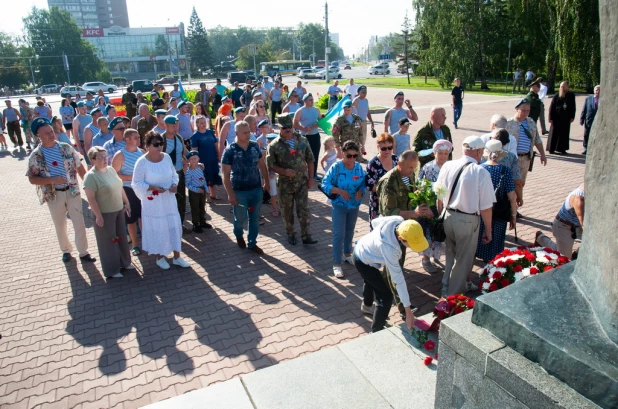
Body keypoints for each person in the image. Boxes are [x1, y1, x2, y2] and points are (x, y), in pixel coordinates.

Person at [26, 118, 96, 263]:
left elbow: (80, 168)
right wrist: (52, 180)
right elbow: (32, 179)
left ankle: (83, 251)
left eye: (51, 131)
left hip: (72, 192)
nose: (51, 135)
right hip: (54, 195)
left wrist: (87, 186)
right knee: (60, 224)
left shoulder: (66, 148)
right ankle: (65, 250)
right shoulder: (36, 155)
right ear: (38, 135)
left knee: (79, 222)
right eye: (46, 133)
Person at [437, 136, 496, 296]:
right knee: (462, 262)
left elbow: (439, 194)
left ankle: (445, 289)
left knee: (450, 256)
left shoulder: (448, 165)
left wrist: (441, 215)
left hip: (448, 215)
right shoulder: (480, 172)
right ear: (477, 151)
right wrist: (488, 231)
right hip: (467, 219)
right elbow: (486, 207)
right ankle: (451, 299)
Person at [377, 150, 433, 316]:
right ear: (399, 164)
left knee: (392, 266)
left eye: (414, 168)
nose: (412, 171)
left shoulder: (408, 176)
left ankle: (379, 294)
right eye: (409, 168)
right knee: (395, 267)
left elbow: (411, 196)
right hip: (391, 231)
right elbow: (389, 212)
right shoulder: (389, 182)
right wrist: (414, 213)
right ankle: (401, 306)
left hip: (404, 229)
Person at [353, 217, 428, 332]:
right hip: (362, 260)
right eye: (411, 244)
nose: (412, 248)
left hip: (363, 248)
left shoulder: (398, 221)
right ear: (400, 238)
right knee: (385, 296)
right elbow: (398, 280)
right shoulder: (389, 249)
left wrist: (373, 241)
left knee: (370, 280)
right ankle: (376, 331)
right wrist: (408, 311)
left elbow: (374, 222)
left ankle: (366, 306)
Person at [131, 131, 191, 269]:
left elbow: (174, 175)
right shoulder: (142, 162)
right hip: (153, 203)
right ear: (147, 146)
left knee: (174, 226)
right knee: (158, 228)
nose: (159, 147)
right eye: (156, 144)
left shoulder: (166, 158)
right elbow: (136, 183)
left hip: (168, 200)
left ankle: (177, 257)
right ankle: (159, 257)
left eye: (161, 144)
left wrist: (174, 185)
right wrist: (153, 187)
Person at [267, 113, 318, 245]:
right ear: (279, 128)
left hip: (302, 182)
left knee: (304, 210)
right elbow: (271, 164)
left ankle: (306, 236)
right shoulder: (273, 145)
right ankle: (290, 234)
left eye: (289, 126)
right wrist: (283, 171)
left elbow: (310, 160)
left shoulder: (302, 140)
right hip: (285, 185)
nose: (288, 129)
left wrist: (311, 178)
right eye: (284, 127)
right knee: (287, 211)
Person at [83, 147, 133, 279]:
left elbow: (120, 187)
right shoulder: (90, 177)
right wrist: (98, 216)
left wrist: (126, 202)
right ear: (93, 160)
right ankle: (112, 269)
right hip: (105, 213)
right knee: (108, 242)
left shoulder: (111, 170)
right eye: (101, 157)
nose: (105, 159)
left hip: (118, 210)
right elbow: (91, 198)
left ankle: (125, 263)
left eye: (106, 156)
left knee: (121, 237)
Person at [222, 121, 270, 254]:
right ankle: (238, 235)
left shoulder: (255, 146)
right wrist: (230, 194)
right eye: (245, 132)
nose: (248, 135)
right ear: (236, 133)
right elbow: (225, 175)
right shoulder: (230, 151)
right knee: (240, 219)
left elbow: (261, 164)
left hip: (256, 189)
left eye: (249, 131)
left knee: (254, 218)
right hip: (239, 191)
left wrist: (266, 182)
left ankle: (252, 243)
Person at [321, 141, 366, 278]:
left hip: (354, 205)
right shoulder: (337, 167)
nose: (352, 159)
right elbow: (325, 183)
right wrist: (340, 191)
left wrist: (361, 191)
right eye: (349, 156)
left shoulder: (358, 167)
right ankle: (337, 264)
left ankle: (347, 254)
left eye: (355, 156)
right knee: (338, 234)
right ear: (343, 154)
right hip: (339, 206)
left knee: (349, 231)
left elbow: (364, 184)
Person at [475, 140, 517, 262]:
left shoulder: (478, 169)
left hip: (480, 211)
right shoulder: (505, 171)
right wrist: (513, 215)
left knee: (477, 242)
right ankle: (490, 273)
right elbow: (512, 196)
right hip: (499, 212)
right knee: (495, 245)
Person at [417, 139, 454, 272]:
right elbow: (420, 189)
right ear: (434, 153)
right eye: (440, 153)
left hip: (445, 206)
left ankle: (436, 256)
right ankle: (425, 260)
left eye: (446, 153)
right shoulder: (428, 168)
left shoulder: (451, 167)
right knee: (429, 234)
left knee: (439, 233)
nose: (443, 156)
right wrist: (426, 208)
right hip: (430, 207)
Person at [505, 100, 547, 208]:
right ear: (516, 109)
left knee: (520, 183)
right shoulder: (508, 123)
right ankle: (509, 208)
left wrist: (542, 154)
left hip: (526, 159)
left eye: (528, 111)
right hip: (512, 159)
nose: (526, 113)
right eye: (523, 110)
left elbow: (537, 139)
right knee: (510, 183)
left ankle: (515, 208)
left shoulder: (531, 122)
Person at [111, 127, 144, 256]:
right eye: (136, 137)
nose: (138, 139)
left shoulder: (141, 152)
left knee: (143, 216)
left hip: (142, 190)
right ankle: (135, 245)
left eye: (138, 137)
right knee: (131, 219)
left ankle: (146, 242)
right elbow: (115, 175)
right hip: (128, 190)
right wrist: (134, 177)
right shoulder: (120, 155)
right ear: (127, 139)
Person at [535, 184, 584, 258]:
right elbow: (584, 224)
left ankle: (576, 255)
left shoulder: (587, 189)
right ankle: (541, 239)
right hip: (563, 228)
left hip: (574, 227)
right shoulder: (579, 199)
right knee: (564, 258)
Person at [161, 115, 190, 233]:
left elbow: (184, 152)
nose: (175, 127)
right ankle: (168, 227)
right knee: (167, 202)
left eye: (176, 125)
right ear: (165, 126)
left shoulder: (179, 137)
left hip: (179, 174)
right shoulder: (160, 139)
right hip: (166, 175)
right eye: (173, 126)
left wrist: (188, 160)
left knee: (181, 200)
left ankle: (180, 225)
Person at [481, 128, 522, 207]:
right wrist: (519, 197)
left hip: (484, 195)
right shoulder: (511, 157)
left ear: (494, 139)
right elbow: (517, 181)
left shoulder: (482, 155)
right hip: (503, 197)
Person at [365, 133, 398, 227]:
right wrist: (387, 189)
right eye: (383, 148)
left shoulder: (396, 159)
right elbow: (369, 185)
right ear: (377, 147)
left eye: (390, 147)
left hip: (394, 203)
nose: (387, 151)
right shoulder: (373, 163)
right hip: (378, 203)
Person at [191, 115, 222, 200]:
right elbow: (194, 150)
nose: (203, 124)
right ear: (197, 124)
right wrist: (195, 161)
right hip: (202, 159)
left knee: (213, 174)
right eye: (201, 123)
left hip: (212, 158)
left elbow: (216, 144)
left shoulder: (210, 132)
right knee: (204, 177)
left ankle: (213, 194)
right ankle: (207, 196)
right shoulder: (195, 136)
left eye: (204, 122)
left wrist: (219, 155)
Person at [293, 94, 322, 181]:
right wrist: (304, 128)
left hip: (315, 135)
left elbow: (321, 121)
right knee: (302, 156)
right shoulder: (300, 111)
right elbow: (295, 124)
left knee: (315, 155)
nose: (312, 101)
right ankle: (303, 173)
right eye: (310, 100)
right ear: (305, 101)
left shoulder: (316, 110)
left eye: (312, 99)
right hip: (304, 137)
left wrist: (318, 124)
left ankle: (313, 174)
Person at [184, 150, 213, 233]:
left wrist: (206, 190)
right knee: (195, 208)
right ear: (189, 161)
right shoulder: (188, 172)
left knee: (202, 206)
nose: (193, 160)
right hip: (194, 192)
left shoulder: (200, 168)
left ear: (198, 159)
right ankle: (196, 224)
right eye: (191, 159)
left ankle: (202, 221)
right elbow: (187, 184)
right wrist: (197, 190)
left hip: (202, 189)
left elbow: (203, 180)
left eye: (195, 158)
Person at [547, 81, 576, 155]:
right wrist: (550, 117)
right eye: (561, 86)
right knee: (554, 134)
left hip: (566, 119)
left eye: (564, 86)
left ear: (567, 87)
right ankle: (551, 149)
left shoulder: (571, 95)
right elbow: (552, 107)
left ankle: (562, 149)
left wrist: (572, 117)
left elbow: (573, 107)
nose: (562, 88)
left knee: (564, 134)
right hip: (556, 118)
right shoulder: (557, 95)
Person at [352, 85, 374, 159]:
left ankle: (360, 155)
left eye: (366, 92)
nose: (364, 93)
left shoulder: (366, 100)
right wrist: (357, 121)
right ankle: (358, 156)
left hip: (364, 122)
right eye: (363, 92)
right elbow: (352, 112)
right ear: (358, 92)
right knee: (358, 139)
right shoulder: (356, 100)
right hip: (357, 122)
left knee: (363, 138)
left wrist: (371, 121)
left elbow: (368, 112)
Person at [580, 85, 599, 155]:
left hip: (599, 121)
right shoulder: (588, 99)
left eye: (599, 90)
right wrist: (581, 119)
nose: (597, 91)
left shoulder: (603, 99)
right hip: (589, 120)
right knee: (586, 134)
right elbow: (584, 109)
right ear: (594, 91)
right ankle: (585, 148)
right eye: (596, 90)